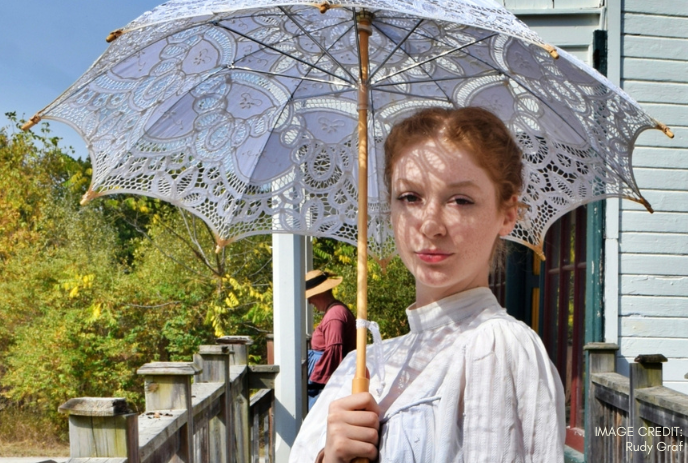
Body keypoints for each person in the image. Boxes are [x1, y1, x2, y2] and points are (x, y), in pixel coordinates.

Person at [289, 107, 565, 462]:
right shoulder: (366, 360)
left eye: (460, 200)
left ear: (507, 214)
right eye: (410, 198)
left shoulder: (494, 346)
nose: (430, 224)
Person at [306, 269, 357, 410]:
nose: (309, 301)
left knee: (317, 420)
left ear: (320, 293)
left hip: (324, 383)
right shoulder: (334, 311)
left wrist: (316, 381)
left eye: (310, 297)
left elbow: (334, 350)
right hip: (324, 380)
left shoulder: (335, 315)